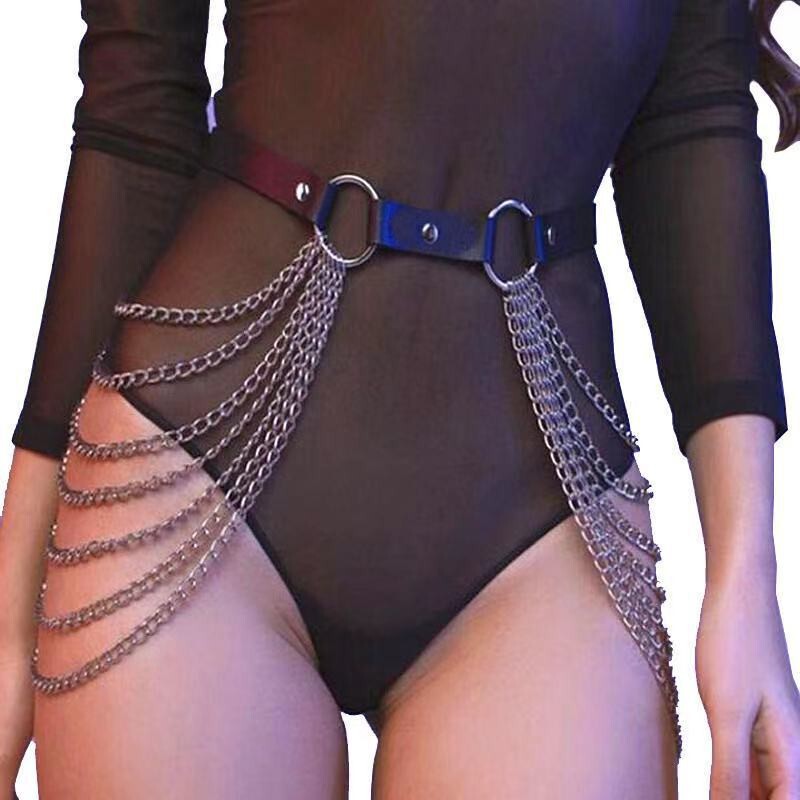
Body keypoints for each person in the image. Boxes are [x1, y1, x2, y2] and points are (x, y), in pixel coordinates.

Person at [2, 0, 799, 797]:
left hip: (540, 522)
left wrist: (746, 579)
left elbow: (693, 124)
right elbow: (135, 116)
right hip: (191, 472)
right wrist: (9, 622)